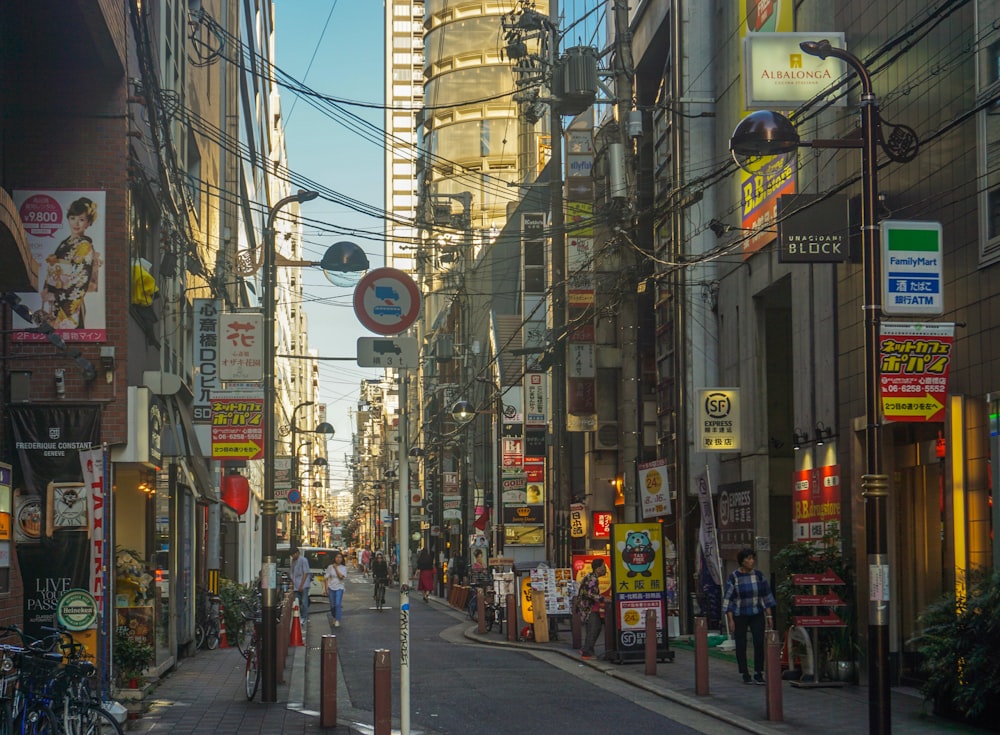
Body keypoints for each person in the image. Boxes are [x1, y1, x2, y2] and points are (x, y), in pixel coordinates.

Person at [39, 196, 101, 329]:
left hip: (69, 304)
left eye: (81, 219)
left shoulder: (84, 246)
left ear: (88, 222)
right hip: (54, 299)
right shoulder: (64, 244)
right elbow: (53, 269)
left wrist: (55, 295)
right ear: (68, 218)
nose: (76, 223)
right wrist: (46, 288)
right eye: (73, 218)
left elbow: (80, 279)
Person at [721, 547, 777, 684]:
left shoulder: (758, 575)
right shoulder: (734, 577)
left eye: (752, 558)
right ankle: (745, 672)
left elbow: (766, 596)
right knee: (741, 643)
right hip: (740, 613)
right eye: (748, 559)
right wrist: (730, 619)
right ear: (742, 561)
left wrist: (769, 616)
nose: (751, 561)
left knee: (758, 641)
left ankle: (758, 672)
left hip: (756, 612)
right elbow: (729, 599)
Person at [577, 558, 608, 659]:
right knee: (594, 628)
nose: (605, 569)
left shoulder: (591, 577)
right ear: (598, 568)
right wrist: (602, 598)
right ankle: (587, 652)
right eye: (603, 566)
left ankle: (586, 649)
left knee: (592, 628)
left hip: (587, 608)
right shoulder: (592, 578)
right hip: (589, 608)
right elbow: (589, 593)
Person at [324, 550, 348, 627]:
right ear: (334, 558)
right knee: (332, 605)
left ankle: (337, 619)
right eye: (337, 557)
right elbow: (326, 578)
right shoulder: (330, 567)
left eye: (340, 557)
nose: (338, 559)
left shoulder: (343, 568)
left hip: (339, 587)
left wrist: (336, 568)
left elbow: (341, 577)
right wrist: (326, 588)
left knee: (338, 604)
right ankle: (334, 616)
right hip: (331, 587)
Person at [289, 547, 311, 626]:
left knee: (304, 602)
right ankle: (299, 616)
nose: (293, 556)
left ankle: (304, 617)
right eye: (292, 555)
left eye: (294, 554)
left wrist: (302, 585)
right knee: (297, 602)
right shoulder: (293, 561)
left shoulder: (303, 560)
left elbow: (305, 573)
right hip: (296, 585)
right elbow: (292, 573)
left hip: (303, 585)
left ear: (298, 553)